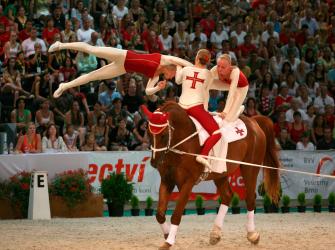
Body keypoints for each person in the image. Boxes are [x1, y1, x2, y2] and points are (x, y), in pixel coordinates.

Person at [148, 49, 220, 170]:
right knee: (217, 132)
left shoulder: (186, 70)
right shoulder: (208, 74)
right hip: (195, 107)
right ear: (207, 63)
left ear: (196, 58)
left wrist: (179, 65)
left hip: (181, 106)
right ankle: (203, 155)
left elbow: (177, 81)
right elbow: (205, 91)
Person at [48, 41, 193, 98]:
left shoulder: (155, 76)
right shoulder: (166, 59)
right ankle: (61, 45)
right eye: (173, 75)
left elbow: (148, 91)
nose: (170, 78)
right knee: (93, 49)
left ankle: (64, 86)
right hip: (124, 55)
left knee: (94, 76)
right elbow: (183, 62)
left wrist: (157, 88)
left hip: (123, 67)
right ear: (173, 69)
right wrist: (196, 69)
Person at [210, 54, 249, 123]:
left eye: (223, 67)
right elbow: (204, 80)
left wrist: (225, 111)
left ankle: (239, 109)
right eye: (218, 66)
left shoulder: (235, 72)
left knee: (228, 120)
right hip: (227, 84)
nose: (219, 70)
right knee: (207, 83)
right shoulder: (214, 69)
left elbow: (231, 93)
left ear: (229, 67)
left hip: (241, 88)